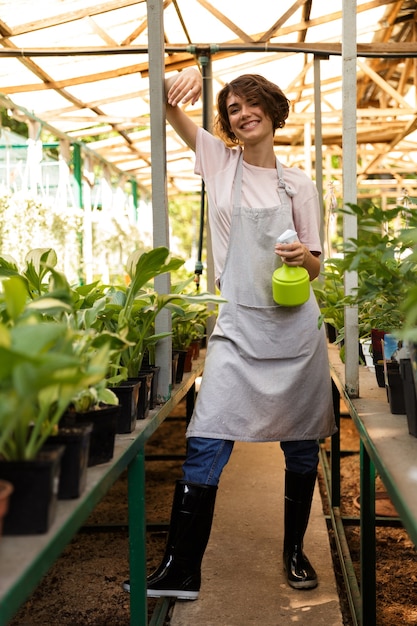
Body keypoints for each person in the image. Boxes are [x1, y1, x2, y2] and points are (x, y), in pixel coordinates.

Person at [123, 67, 336, 599]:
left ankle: (294, 552)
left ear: (272, 109)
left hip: (294, 334)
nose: (243, 113)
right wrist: (185, 77)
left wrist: (300, 256)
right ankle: (181, 570)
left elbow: (316, 268)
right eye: (233, 108)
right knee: (205, 437)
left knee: (302, 450)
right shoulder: (219, 163)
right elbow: (166, 108)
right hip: (237, 327)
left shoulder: (300, 184)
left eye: (251, 103)